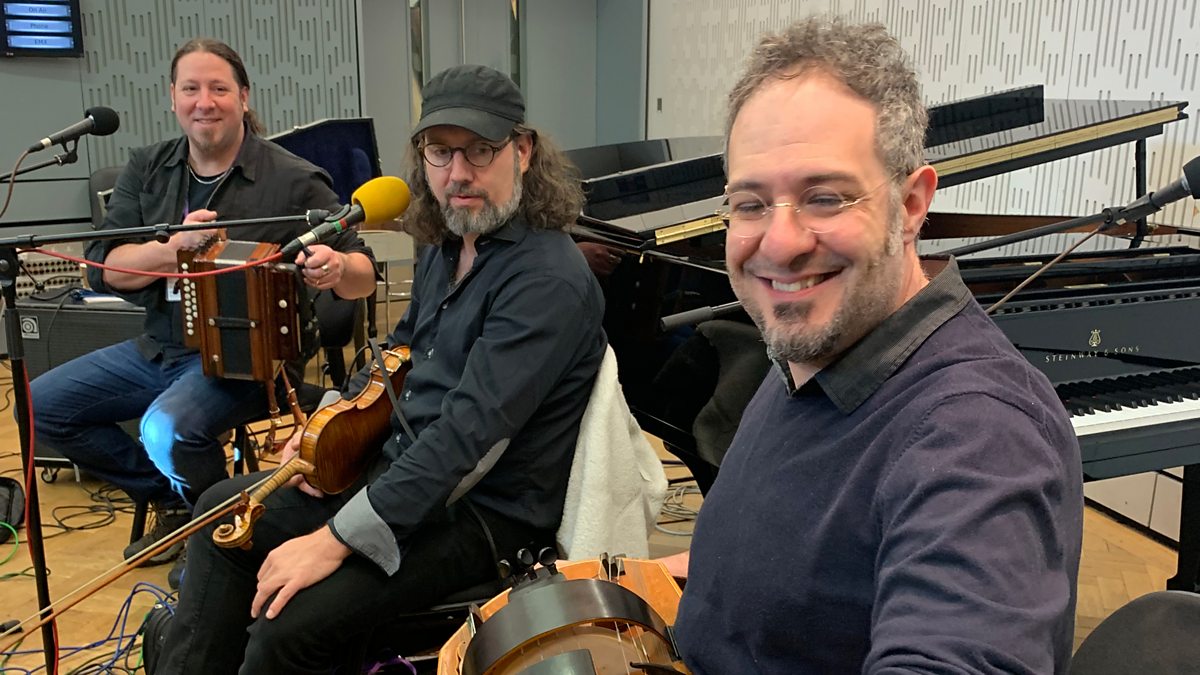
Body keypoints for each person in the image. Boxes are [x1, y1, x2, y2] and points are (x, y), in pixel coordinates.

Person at [150, 64, 606, 674]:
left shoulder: (546, 280)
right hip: (404, 473)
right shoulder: (448, 243)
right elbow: (397, 355)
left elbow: (466, 439)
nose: (458, 173)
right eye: (440, 152)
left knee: (289, 626)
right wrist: (326, 437)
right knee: (218, 516)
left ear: (522, 151)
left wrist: (334, 538)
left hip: (483, 514)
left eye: (480, 150)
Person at [667, 17, 1084, 674]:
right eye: (750, 204)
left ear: (911, 204)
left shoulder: (981, 435)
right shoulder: (813, 348)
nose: (780, 243)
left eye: (824, 197)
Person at [29, 37, 378, 568]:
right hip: (159, 348)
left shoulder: (293, 179)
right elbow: (105, 267)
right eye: (191, 89)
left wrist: (337, 268)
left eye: (219, 89)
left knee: (165, 430)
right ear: (172, 97)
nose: (204, 102)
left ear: (243, 97)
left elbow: (364, 275)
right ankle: (185, 506)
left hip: (249, 364)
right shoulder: (148, 168)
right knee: (40, 406)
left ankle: (222, 540)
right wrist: (172, 248)